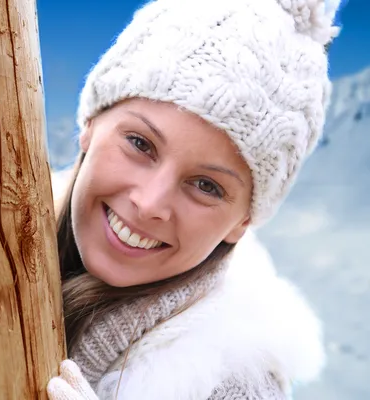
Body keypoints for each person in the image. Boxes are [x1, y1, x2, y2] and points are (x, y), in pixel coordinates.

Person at [45, 0, 343, 398]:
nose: (150, 204)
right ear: (92, 123)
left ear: (242, 222)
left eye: (206, 186)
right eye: (139, 143)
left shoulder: (235, 387)